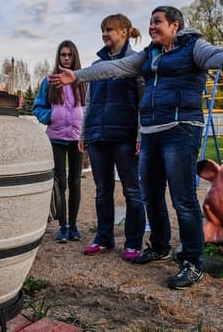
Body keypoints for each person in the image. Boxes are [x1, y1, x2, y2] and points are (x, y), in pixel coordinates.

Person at [49, 6, 223, 289]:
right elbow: (114, 68)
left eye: (157, 22)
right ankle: (159, 246)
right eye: (151, 22)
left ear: (175, 25)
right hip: (152, 131)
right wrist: (78, 76)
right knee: (151, 194)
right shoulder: (149, 55)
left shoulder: (193, 47)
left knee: (182, 198)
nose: (152, 27)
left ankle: (192, 262)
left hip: (180, 130)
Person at [79, 14, 146, 261]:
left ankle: (133, 242)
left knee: (132, 191)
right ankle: (104, 238)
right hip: (98, 136)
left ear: (125, 32)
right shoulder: (97, 65)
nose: (105, 34)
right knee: (102, 191)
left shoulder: (135, 63)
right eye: (103, 30)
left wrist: (139, 134)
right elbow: (88, 102)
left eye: (109, 30)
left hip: (125, 136)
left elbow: (143, 101)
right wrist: (85, 133)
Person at [33, 40, 86, 243]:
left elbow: (89, 108)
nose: (66, 58)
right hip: (56, 138)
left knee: (75, 182)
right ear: (58, 57)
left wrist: (85, 132)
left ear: (75, 57)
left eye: (69, 55)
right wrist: (52, 116)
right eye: (63, 55)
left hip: (76, 138)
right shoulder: (49, 81)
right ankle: (62, 226)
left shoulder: (82, 81)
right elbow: (38, 107)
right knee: (60, 183)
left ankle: (73, 225)